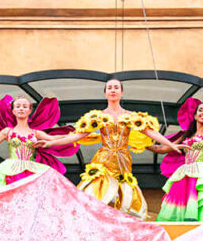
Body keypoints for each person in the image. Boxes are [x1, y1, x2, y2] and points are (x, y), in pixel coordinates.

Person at [59, 79, 181, 219]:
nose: (113, 90)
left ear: (121, 92)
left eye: (116, 87)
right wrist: (50, 143)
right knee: (95, 190)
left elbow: (151, 132)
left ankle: (125, 218)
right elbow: (76, 136)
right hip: (103, 159)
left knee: (125, 191)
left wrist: (171, 145)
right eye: (109, 88)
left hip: (123, 160)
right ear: (105, 93)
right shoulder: (98, 116)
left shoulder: (131, 116)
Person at [0, 94, 77, 192]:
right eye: (18, 106)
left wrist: (80, 134)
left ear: (30, 110)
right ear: (13, 111)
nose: (21, 109)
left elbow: (56, 139)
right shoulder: (7, 131)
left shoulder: (36, 133)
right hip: (11, 169)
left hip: (32, 169)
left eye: (25, 106)